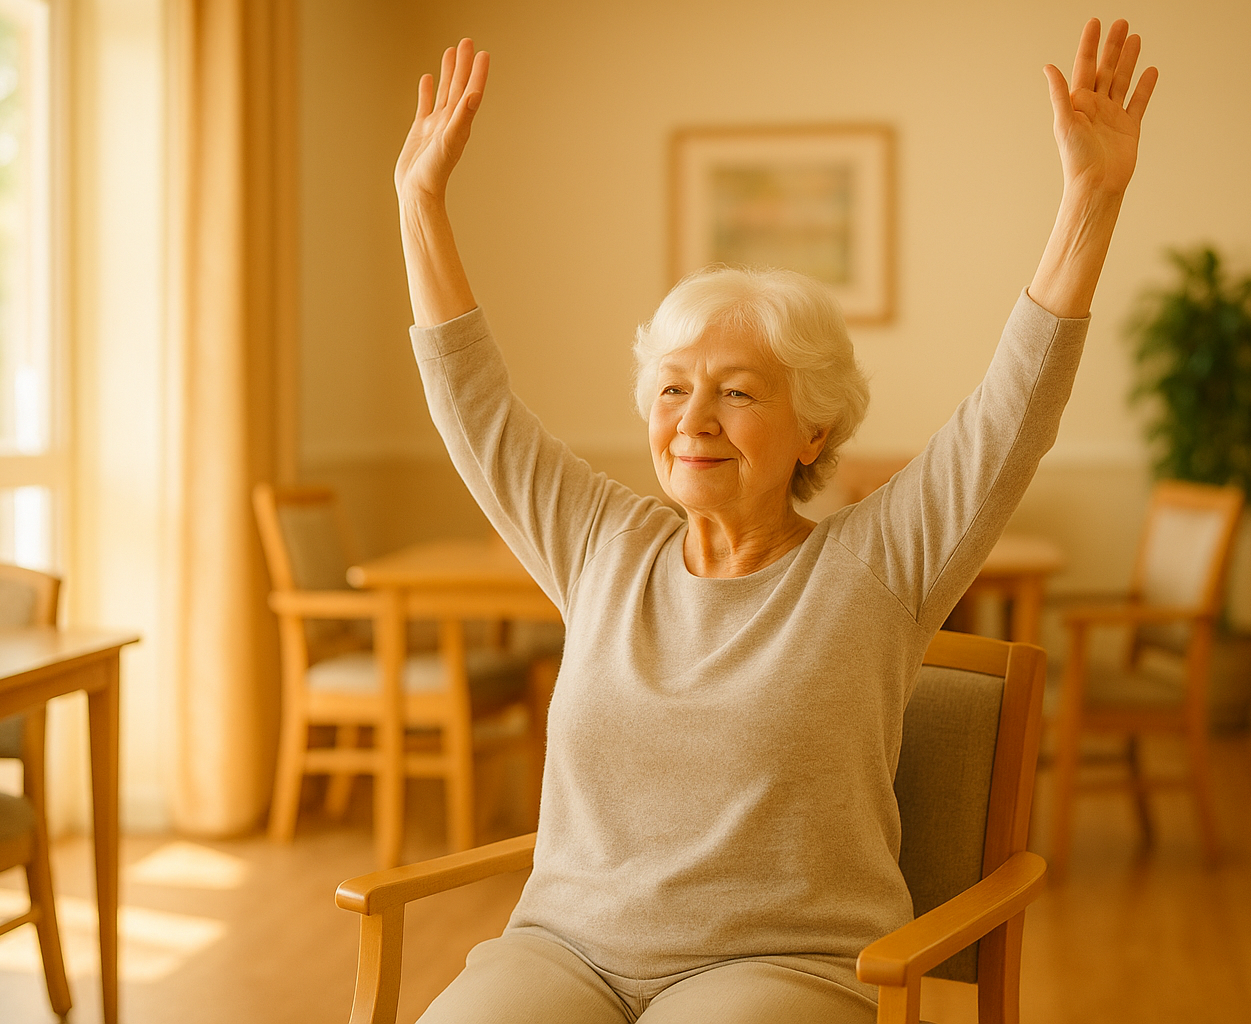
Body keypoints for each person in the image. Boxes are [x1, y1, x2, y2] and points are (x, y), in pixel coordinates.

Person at [395, 18, 1157, 1024]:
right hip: (566, 948)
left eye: (737, 393)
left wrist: (1090, 200)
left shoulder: (878, 564)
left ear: (814, 428)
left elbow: (1012, 412)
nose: (694, 421)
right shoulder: (599, 547)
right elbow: (475, 407)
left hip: (785, 966)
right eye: (671, 390)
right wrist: (419, 203)